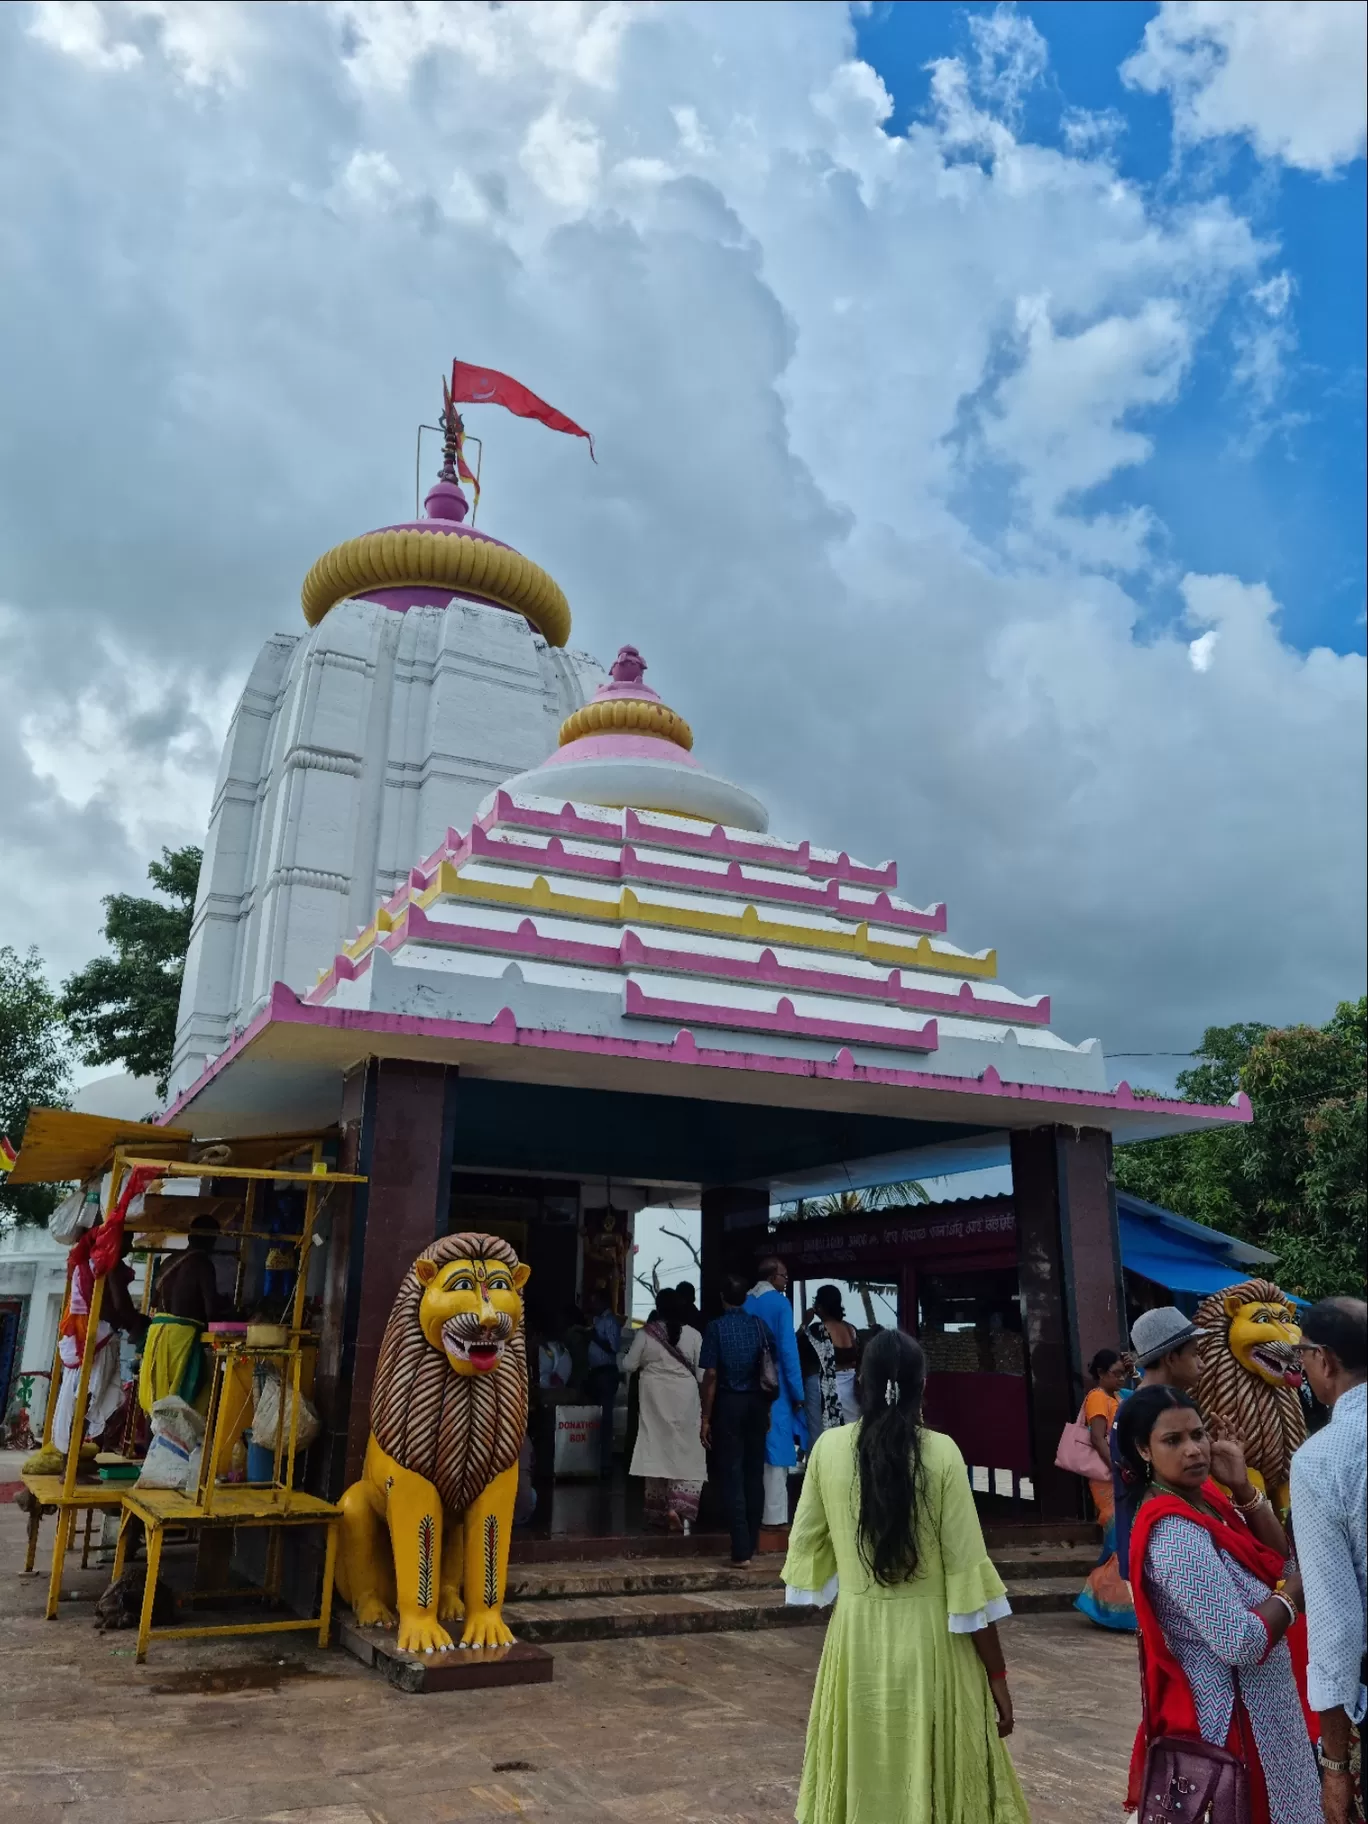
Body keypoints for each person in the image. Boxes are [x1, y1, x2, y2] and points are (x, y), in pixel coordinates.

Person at [782, 1327, 1030, 1824]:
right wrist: (998, 1677)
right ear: (922, 1386)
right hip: (935, 1645)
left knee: (863, 1772)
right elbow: (968, 1578)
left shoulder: (827, 1451)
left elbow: (808, 1548)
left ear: (861, 1386)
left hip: (854, 1642)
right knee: (936, 1777)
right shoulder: (942, 1454)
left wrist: (858, 1587)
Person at [1119, 1384, 1319, 1823]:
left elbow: (1278, 1561)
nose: (1193, 1450)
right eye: (1173, 1441)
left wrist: (1242, 1486)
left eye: (1199, 1434)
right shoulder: (1173, 1533)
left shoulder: (1205, 1499)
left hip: (1269, 1708)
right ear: (1143, 1450)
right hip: (1233, 1720)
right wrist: (1295, 1591)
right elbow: (1240, 1641)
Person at [1289, 1297, 1367, 1824]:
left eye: (1302, 1358)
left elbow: (1336, 1625)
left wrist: (1335, 1764)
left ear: (1326, 1360)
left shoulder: (1322, 1458)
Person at [1113, 1305, 1206, 1583]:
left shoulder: (1168, 1408)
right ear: (1171, 1358)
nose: (1201, 1363)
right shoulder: (1138, 1415)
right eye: (1194, 1353)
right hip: (1162, 1553)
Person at [54, 1228, 147, 1453]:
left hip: (93, 1337)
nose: (131, 1247)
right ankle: (70, 1464)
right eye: (127, 1240)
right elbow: (120, 1306)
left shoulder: (92, 1263)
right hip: (100, 1339)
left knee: (85, 1399)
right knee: (87, 1400)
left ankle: (71, 1461)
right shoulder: (110, 1265)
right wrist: (141, 1323)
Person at [699, 1274, 771, 1566]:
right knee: (754, 1473)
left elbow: (711, 1374)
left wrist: (705, 1417)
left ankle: (741, 1548)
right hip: (756, 1403)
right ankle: (751, 1542)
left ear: (722, 1298)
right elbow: (769, 1367)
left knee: (732, 1474)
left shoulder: (715, 1328)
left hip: (729, 1403)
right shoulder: (759, 1326)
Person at [622, 1288, 706, 1533]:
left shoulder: (646, 1334)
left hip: (654, 1399)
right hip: (686, 1400)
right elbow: (702, 1374)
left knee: (657, 1449)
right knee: (686, 1451)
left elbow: (628, 1364)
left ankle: (661, 1508)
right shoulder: (693, 1335)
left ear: (658, 1308)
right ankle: (678, 1507)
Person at [1074, 1348, 1136, 1632]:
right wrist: (1116, 1468)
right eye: (1116, 1374)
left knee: (1121, 1539)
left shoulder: (1118, 1396)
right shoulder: (1098, 1397)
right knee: (1118, 1538)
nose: (1121, 1378)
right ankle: (1102, 1602)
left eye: (1122, 1373)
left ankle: (1111, 1605)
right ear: (1100, 1374)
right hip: (1108, 1477)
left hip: (1119, 1474)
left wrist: (1134, 1370)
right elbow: (1098, 1438)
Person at [744, 1257, 807, 1532]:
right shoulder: (780, 1304)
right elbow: (788, 1351)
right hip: (774, 1384)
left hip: (745, 1383)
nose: (786, 1280)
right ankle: (774, 1516)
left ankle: (749, 1510)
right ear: (771, 1277)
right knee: (776, 1448)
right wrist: (798, 1391)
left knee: (750, 1447)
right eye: (784, 1275)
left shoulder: (744, 1301)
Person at [138, 1214, 221, 1414]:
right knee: (180, 1400)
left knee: (157, 1398)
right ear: (212, 1238)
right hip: (181, 1336)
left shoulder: (169, 1261)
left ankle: (157, 1443)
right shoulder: (202, 1263)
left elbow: (154, 1302)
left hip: (157, 1332)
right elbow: (212, 1311)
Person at [798, 1285, 861, 1443]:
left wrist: (804, 1323)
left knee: (821, 1438)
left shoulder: (816, 1330)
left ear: (819, 1306)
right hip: (851, 1389)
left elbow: (795, 1346)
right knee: (849, 1436)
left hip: (826, 1389)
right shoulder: (851, 1329)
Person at [584, 1287, 623, 1478]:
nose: (592, 1305)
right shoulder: (598, 1321)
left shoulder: (610, 1322)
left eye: (594, 1301)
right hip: (595, 1373)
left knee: (605, 1419)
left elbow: (613, 1347)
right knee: (594, 1418)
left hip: (606, 1373)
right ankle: (592, 1460)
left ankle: (605, 1463)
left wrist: (594, 1338)